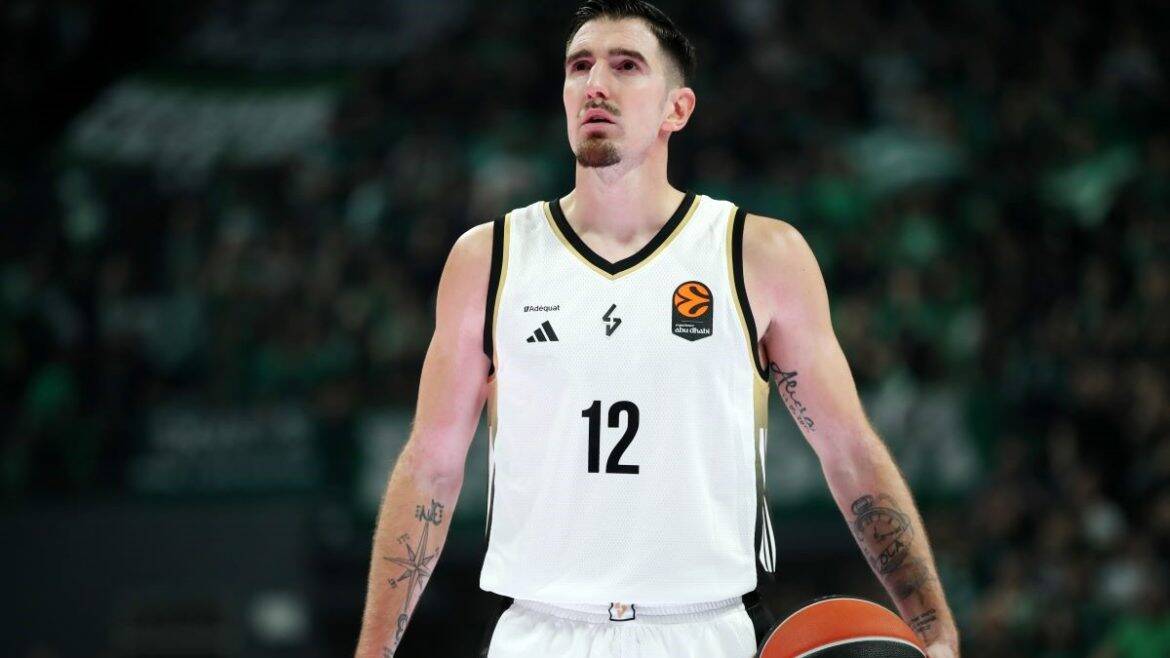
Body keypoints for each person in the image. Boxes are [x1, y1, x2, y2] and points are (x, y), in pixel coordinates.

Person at [354, 1, 961, 656]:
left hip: (706, 631)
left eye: (626, 66)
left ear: (678, 108)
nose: (596, 83)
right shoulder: (490, 257)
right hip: (540, 630)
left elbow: (848, 451)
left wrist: (933, 628)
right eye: (579, 66)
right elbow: (431, 468)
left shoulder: (757, 254)